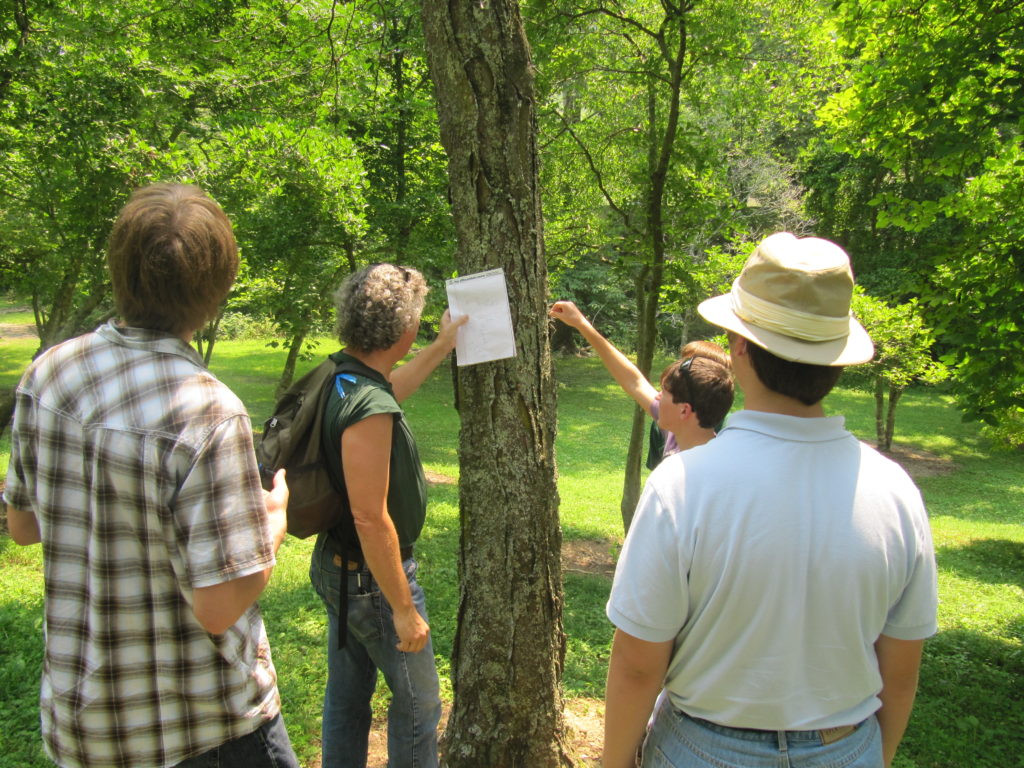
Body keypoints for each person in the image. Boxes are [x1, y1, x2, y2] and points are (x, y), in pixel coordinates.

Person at [603, 232, 938, 768]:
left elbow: (639, 665)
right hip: (847, 748)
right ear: (837, 359)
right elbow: (899, 674)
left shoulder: (682, 484)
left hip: (702, 749)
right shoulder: (897, 491)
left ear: (738, 344)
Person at [4, 183, 299, 768]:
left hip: (85, 722)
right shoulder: (208, 412)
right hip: (200, 729)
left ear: (119, 269)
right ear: (217, 291)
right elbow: (217, 608)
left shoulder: (50, 374)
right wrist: (273, 525)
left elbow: (21, 526)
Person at [309, 263, 466, 768]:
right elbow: (370, 518)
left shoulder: (342, 375)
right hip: (372, 583)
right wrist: (402, 607)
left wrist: (442, 346)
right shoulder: (368, 406)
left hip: (337, 567)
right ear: (402, 330)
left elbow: (390, 388)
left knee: (348, 697)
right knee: (421, 706)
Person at [548, 301, 733, 458]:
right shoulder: (678, 431)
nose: (657, 396)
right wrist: (581, 323)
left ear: (685, 410)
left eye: (666, 392)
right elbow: (633, 380)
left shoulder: (710, 469)